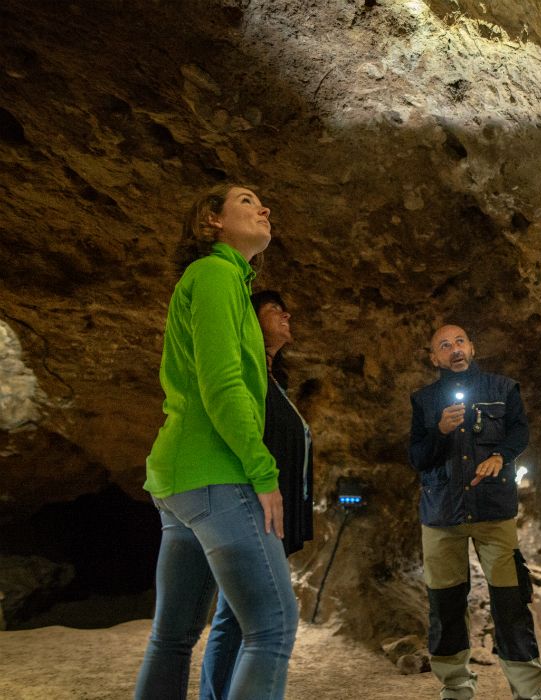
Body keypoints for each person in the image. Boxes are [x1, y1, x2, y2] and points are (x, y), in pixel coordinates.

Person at [134, 185, 298, 700]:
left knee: (173, 636)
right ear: (212, 221)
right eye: (247, 201)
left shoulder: (222, 279)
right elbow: (223, 384)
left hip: (181, 483)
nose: (264, 208)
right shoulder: (215, 274)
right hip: (216, 475)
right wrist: (263, 474)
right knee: (272, 625)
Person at [409, 324, 541, 700]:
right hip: (441, 515)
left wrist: (501, 456)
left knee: (510, 601)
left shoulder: (504, 389)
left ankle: (528, 690)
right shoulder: (423, 400)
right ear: (433, 357)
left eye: (459, 342)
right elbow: (418, 457)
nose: (454, 349)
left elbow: (520, 433)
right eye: (443, 345)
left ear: (472, 347)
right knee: (445, 604)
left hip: (493, 509)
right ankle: (455, 687)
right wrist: (439, 430)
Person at [199, 289, 314, 700]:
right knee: (265, 620)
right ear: (249, 320)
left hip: (267, 513)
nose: (287, 314)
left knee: (234, 616)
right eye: (274, 309)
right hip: (250, 509)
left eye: (287, 308)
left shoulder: (272, 381)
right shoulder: (246, 377)